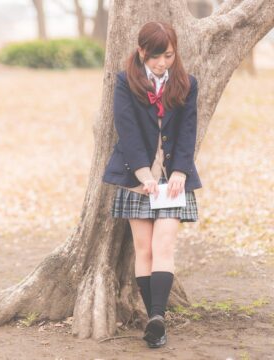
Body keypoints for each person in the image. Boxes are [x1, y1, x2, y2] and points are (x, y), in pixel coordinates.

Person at [101, 21, 202, 349]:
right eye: (156, 56)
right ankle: (153, 319)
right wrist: (144, 175)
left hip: (173, 181)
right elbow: (126, 130)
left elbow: (188, 131)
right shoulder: (124, 82)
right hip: (137, 178)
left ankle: (157, 318)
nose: (162, 63)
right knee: (143, 249)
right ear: (142, 51)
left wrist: (181, 172)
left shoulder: (187, 83)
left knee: (164, 247)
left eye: (168, 55)